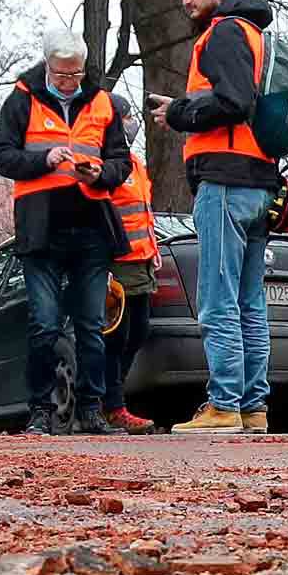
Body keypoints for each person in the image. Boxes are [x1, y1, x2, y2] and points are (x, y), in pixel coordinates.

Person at [148, 0, 278, 435]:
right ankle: (252, 406)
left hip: (225, 182)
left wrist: (181, 114)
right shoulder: (254, 34)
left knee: (218, 299)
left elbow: (233, 101)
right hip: (259, 183)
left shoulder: (223, 32)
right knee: (249, 302)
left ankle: (224, 405)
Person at [0, 29, 132, 436]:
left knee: (91, 324)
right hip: (41, 230)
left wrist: (101, 171)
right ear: (48, 66)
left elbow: (121, 163)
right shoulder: (22, 99)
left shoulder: (101, 103)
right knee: (45, 324)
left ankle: (91, 409)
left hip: (91, 229)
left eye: (77, 74)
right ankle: (40, 410)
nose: (70, 81)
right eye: (63, 74)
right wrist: (44, 159)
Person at [100, 95, 159, 434]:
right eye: (128, 117)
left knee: (137, 333)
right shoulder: (105, 164)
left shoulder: (135, 164)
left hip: (142, 262)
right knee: (116, 338)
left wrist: (154, 251)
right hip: (118, 265)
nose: (133, 123)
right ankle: (111, 405)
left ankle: (113, 400)